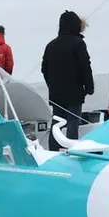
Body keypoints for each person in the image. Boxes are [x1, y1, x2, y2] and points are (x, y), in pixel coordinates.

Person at [41, 10, 94, 150]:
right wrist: (89, 87)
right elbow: (85, 66)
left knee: (57, 121)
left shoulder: (50, 45)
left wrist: (52, 86)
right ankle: (72, 150)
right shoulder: (78, 44)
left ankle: (52, 150)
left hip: (56, 93)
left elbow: (44, 69)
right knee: (73, 122)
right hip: (75, 92)